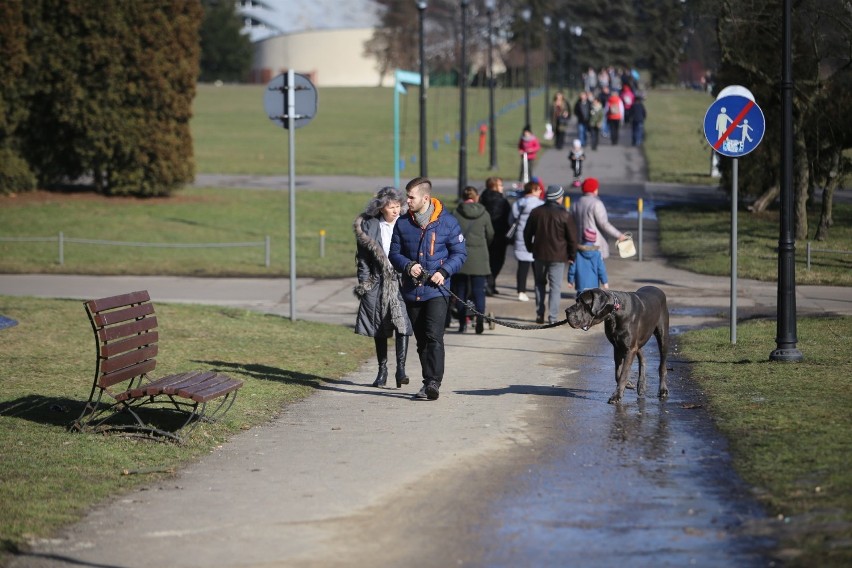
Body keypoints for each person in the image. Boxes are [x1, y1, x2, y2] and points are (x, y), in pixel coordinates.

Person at [389, 177, 467, 401]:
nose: (407, 201)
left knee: (434, 336)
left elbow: (460, 253)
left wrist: (443, 272)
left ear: (426, 198)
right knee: (422, 339)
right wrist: (408, 265)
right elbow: (394, 253)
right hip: (412, 290)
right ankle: (427, 381)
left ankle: (433, 382)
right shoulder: (403, 223)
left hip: (437, 291)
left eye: (411, 197)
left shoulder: (448, 222)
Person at [353, 187, 413, 388]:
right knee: (379, 328)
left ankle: (401, 370)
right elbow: (362, 260)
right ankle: (382, 370)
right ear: (381, 207)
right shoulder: (369, 226)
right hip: (377, 282)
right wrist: (364, 283)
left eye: (398, 206)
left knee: (402, 324)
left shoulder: (406, 224)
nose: (396, 211)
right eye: (391, 207)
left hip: (401, 281)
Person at [523, 185, 578, 324]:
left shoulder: (536, 212)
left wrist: (530, 248)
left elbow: (527, 233)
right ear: (558, 198)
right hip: (558, 256)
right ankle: (552, 317)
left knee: (539, 284)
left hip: (539, 254)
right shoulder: (564, 214)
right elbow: (572, 238)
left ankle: (539, 313)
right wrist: (572, 255)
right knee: (555, 287)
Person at [450, 186, 494, 334]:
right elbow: (490, 234)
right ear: (477, 197)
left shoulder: (456, 213)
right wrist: (483, 245)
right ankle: (480, 318)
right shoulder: (484, 213)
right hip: (479, 256)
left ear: (463, 197)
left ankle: (463, 323)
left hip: (460, 256)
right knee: (478, 291)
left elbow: (450, 234)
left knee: (460, 290)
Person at [570, 177, 629, 260]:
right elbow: (604, 224)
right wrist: (619, 235)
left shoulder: (575, 204)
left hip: (581, 243)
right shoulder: (596, 203)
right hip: (595, 245)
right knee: (597, 270)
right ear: (594, 190)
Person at [509, 180, 545, 302]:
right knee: (538, 267)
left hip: (521, 236)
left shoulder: (518, 203)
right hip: (537, 237)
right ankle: (538, 289)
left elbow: (511, 219)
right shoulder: (541, 204)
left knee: (523, 267)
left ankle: (521, 291)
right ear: (533, 190)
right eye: (538, 189)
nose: (540, 191)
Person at [478, 176, 511, 296]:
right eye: (501, 185)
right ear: (494, 186)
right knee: (497, 261)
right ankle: (490, 284)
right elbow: (507, 217)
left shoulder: (482, 198)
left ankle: (489, 284)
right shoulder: (501, 201)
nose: (502, 187)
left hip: (484, 234)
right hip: (499, 234)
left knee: (488, 260)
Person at [568, 227, 609, 296]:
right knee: (593, 302)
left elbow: (572, 268)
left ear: (583, 238)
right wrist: (604, 282)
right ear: (594, 240)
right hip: (593, 285)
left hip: (581, 284)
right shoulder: (597, 254)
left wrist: (570, 280)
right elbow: (601, 269)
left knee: (580, 303)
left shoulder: (577, 253)